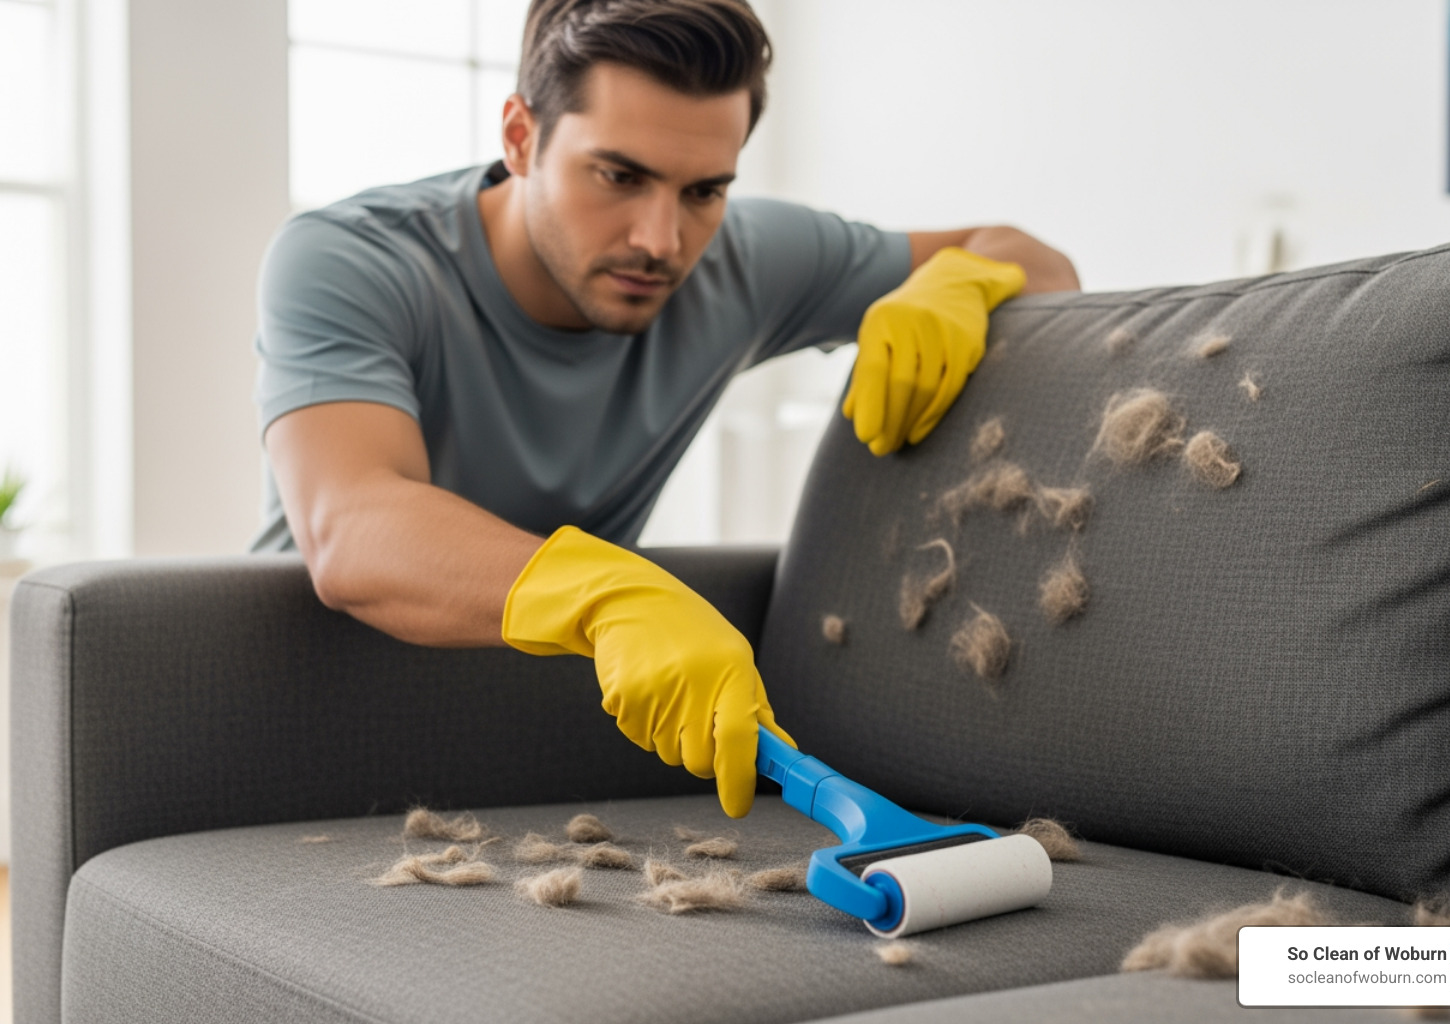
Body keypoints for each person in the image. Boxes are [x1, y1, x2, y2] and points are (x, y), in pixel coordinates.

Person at [254, 0, 1079, 821]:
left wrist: (959, 284)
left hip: (545, 739)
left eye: (704, 190)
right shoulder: (349, 258)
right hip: (315, 703)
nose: (662, 239)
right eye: (620, 176)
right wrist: (613, 596)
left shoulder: (741, 260)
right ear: (519, 137)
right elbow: (351, 524)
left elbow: (1032, 257)